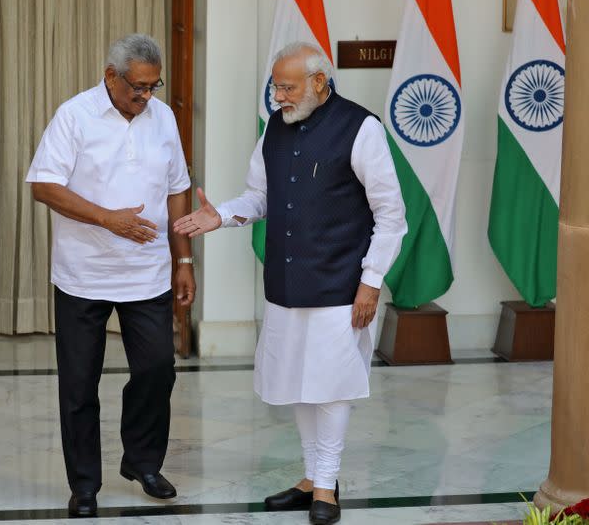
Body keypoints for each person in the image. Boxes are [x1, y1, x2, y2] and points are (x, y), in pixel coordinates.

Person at [174, 42, 407, 525]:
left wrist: (371, 281)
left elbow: (392, 215)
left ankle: (327, 485)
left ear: (319, 82)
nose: (278, 95)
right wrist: (223, 216)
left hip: (341, 286)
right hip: (285, 282)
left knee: (332, 386)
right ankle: (310, 477)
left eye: (287, 86)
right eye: (275, 86)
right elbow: (260, 196)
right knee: (298, 384)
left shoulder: (361, 129)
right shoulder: (274, 131)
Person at [26, 33, 195, 519]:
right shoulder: (74, 115)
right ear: (110, 77)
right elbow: (44, 186)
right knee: (79, 384)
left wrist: (183, 260)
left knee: (158, 369)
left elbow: (178, 190)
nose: (146, 97)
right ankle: (83, 485)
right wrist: (107, 218)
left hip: (149, 274)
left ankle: (142, 462)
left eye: (153, 86)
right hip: (83, 274)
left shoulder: (163, 118)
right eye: (137, 87)